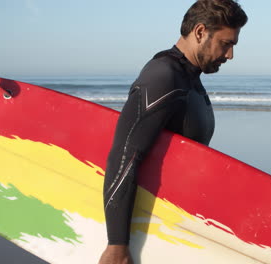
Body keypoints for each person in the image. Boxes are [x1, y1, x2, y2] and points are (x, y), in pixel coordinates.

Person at [98, 0, 247, 263]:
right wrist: (117, 246)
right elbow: (124, 157)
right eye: (226, 43)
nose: (230, 55)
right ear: (200, 32)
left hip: (174, 225)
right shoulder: (163, 76)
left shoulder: (189, 76)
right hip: (146, 232)